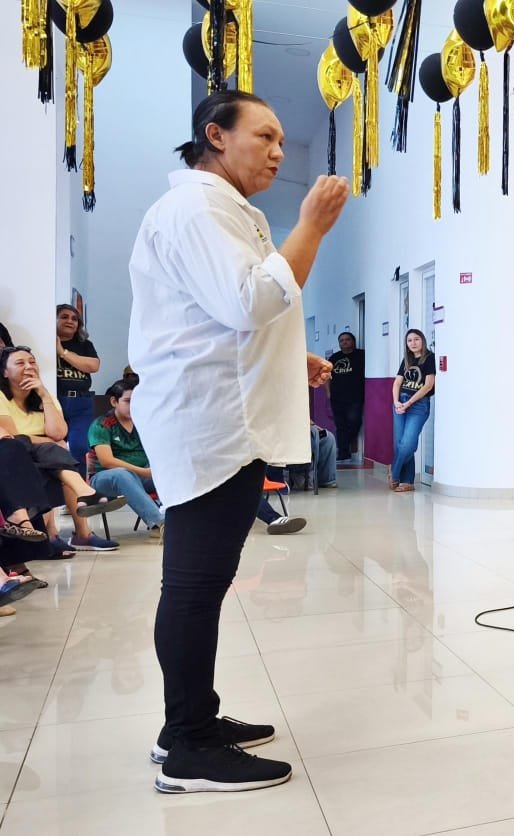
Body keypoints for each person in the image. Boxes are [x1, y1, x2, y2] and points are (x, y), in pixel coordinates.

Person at [128, 89, 346, 793]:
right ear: (215, 136)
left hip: (223, 416)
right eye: (266, 136)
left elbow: (232, 317)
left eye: (284, 141)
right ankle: (188, 745)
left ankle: (189, 722)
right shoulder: (196, 207)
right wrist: (310, 226)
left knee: (204, 584)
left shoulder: (221, 208)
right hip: (209, 422)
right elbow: (248, 301)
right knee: (193, 587)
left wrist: (293, 358)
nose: (280, 153)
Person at [1, 345, 124, 552]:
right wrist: (46, 440)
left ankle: (77, 533)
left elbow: (58, 432)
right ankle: (78, 512)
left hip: (41, 455)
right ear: (4, 372)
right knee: (56, 452)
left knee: (60, 457)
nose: (29, 367)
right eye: (20, 363)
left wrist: (44, 394)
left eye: (32, 362)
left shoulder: (43, 396)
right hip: (12, 456)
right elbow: (12, 437)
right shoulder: (1, 396)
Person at [88, 377, 166, 534]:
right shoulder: (102, 424)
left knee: (174, 473)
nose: (134, 406)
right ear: (114, 402)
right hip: (105, 479)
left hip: (143, 475)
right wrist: (143, 471)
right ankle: (160, 525)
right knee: (122, 474)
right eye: (128, 401)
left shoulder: (144, 423)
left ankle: (186, 521)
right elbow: (107, 461)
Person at [55, 304, 101, 464]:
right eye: (64, 317)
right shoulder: (45, 343)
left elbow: (94, 366)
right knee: (55, 446)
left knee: (79, 446)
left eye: (75, 319)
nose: (70, 321)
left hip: (81, 403)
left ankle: (80, 486)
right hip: (54, 402)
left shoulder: (84, 345)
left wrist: (62, 353)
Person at [390, 329, 434, 493]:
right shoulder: (407, 359)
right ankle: (407, 481)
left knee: (408, 443)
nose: (413, 343)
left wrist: (407, 403)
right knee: (399, 444)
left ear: (422, 340)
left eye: (417, 339)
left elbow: (428, 385)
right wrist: (396, 402)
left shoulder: (430, 358)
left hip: (418, 405)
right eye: (409, 340)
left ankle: (394, 472)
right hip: (400, 403)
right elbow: (397, 383)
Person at [327, 331, 365, 463]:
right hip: (337, 398)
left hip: (355, 397)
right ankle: (343, 453)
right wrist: (328, 392)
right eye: (341, 340)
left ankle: (344, 445)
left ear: (353, 342)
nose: (344, 342)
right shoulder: (334, 358)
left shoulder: (362, 355)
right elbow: (327, 377)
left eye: (347, 339)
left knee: (355, 422)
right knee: (340, 426)